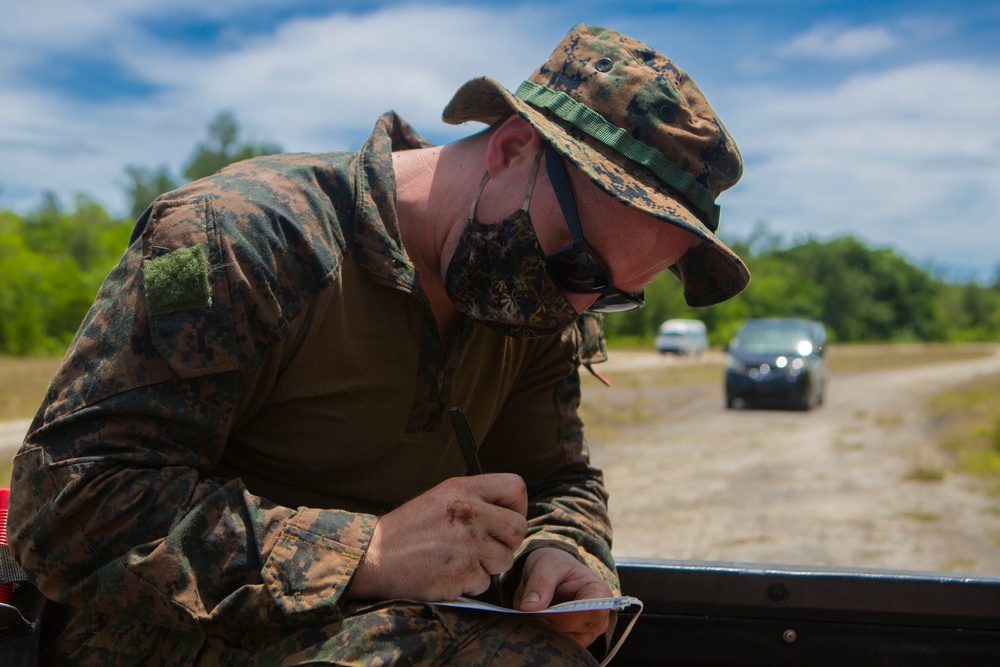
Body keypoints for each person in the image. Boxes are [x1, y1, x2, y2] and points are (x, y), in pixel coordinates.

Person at [8, 23, 747, 665]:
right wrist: (365, 552)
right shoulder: (238, 241)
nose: (581, 303)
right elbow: (67, 510)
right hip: (156, 633)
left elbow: (557, 480)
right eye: (579, 264)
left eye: (614, 292)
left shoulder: (529, 294)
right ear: (512, 148)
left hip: (393, 628)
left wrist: (564, 553)